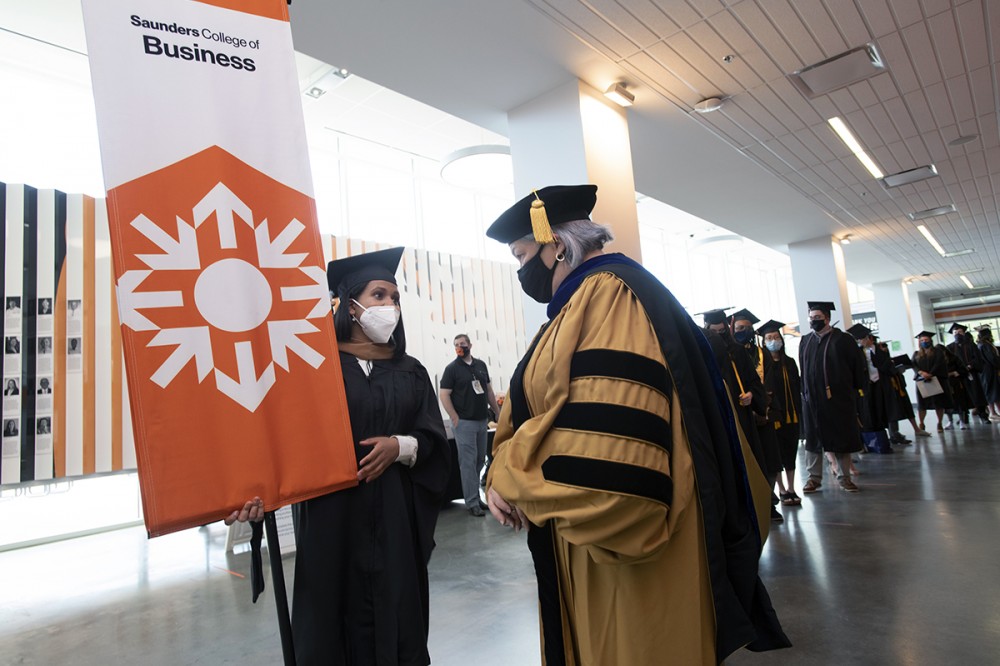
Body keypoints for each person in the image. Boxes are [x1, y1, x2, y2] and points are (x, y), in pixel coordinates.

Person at [484, 185, 789, 664]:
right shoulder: (584, 302)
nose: (520, 269)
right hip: (588, 553)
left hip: (623, 562)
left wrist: (508, 476)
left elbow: (609, 464)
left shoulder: (609, 297)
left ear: (556, 244)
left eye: (521, 254)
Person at [226, 247, 451, 665]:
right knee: (332, 615)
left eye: (395, 298)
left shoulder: (410, 370)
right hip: (332, 518)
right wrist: (255, 491)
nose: (390, 306)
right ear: (350, 306)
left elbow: (433, 440)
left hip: (395, 517)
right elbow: (283, 440)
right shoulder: (314, 371)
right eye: (379, 296)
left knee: (398, 612)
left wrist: (399, 447)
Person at [798, 302, 866, 493]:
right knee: (813, 439)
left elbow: (856, 367)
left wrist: (854, 391)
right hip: (812, 400)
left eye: (818, 318)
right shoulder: (806, 341)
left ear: (827, 318)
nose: (814, 321)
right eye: (811, 318)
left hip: (838, 400)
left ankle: (844, 477)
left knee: (840, 438)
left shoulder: (843, 340)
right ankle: (814, 478)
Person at [439, 334, 501, 516]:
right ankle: (472, 502)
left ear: (470, 345)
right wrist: (454, 417)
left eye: (462, 344)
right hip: (464, 422)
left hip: (482, 420)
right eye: (456, 344)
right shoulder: (451, 369)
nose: (460, 347)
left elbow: (488, 390)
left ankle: (475, 497)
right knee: (467, 462)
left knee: (480, 459)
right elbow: (444, 394)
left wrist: (497, 412)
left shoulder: (480, 366)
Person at [731, 308, 783, 523]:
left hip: (763, 413)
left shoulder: (762, 354)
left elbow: (769, 382)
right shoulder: (730, 353)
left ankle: (769, 501)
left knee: (770, 460)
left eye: (748, 328)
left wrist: (762, 401)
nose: (744, 332)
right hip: (741, 417)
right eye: (740, 328)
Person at [758, 320, 802, 506]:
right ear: (763, 342)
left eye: (776, 337)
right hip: (774, 415)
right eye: (769, 338)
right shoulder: (761, 365)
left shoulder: (790, 363)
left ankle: (792, 488)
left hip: (791, 414)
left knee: (790, 450)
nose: (773, 340)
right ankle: (782, 490)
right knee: (776, 454)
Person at [946, 323, 988, 427]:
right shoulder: (949, 347)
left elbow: (977, 358)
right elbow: (948, 362)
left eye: (960, 332)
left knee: (977, 395)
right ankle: (964, 417)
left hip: (971, 374)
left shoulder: (971, 345)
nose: (957, 334)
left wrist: (969, 366)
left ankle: (983, 415)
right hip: (958, 376)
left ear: (964, 333)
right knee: (961, 397)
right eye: (955, 333)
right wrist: (957, 371)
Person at [912, 331, 951, 433]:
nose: (924, 342)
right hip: (922, 381)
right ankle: (921, 423)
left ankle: (939, 423)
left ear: (930, 340)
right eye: (922, 340)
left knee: (938, 403)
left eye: (926, 340)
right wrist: (921, 372)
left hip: (936, 379)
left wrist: (930, 374)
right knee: (922, 405)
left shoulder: (938, 352)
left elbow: (939, 363)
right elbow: (913, 365)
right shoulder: (916, 354)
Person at [886, 352, 926, 440]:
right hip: (889, 389)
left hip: (899, 386)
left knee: (908, 408)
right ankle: (894, 433)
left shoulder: (889, 359)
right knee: (893, 412)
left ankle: (916, 429)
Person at [977, 326, 1000, 421]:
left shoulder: (982, 344)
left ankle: (994, 412)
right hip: (989, 372)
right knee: (993, 392)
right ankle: (993, 413)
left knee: (993, 392)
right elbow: (993, 359)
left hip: (986, 372)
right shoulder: (985, 345)